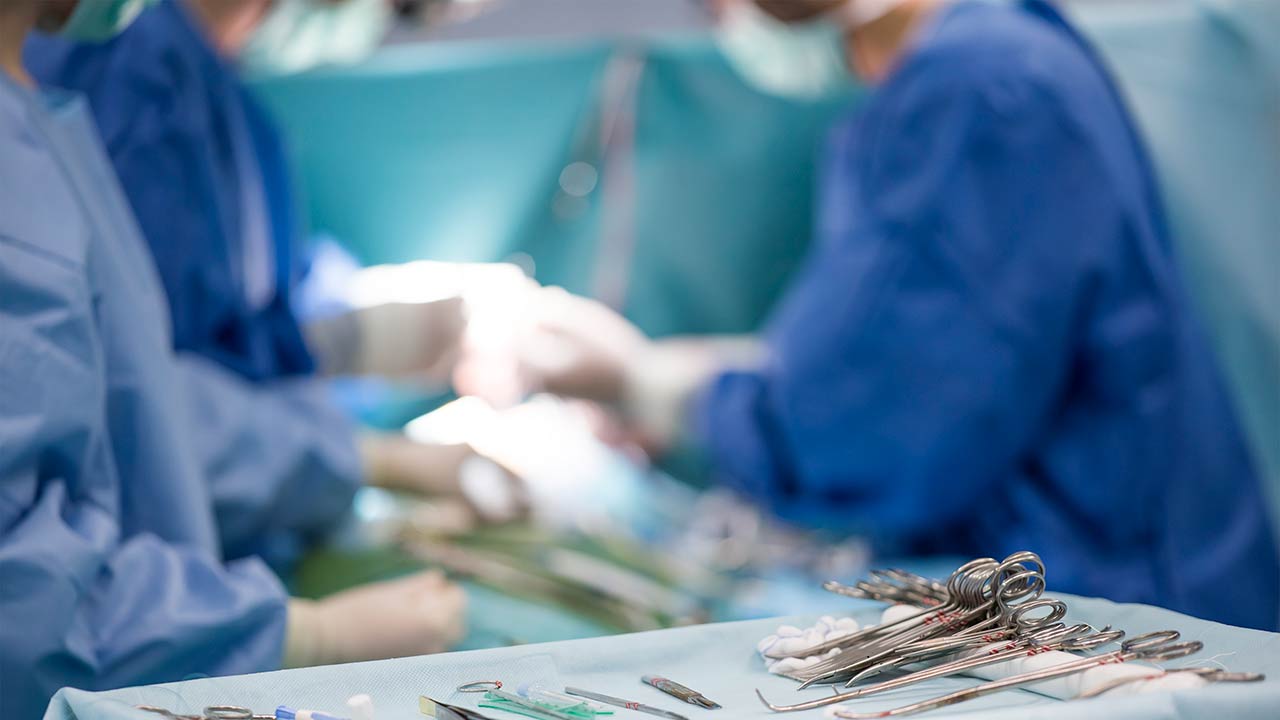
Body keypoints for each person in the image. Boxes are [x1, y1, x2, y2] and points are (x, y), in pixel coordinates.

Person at [465, 0, 1280, 630]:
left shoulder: (981, 94)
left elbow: (867, 431)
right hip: (1093, 571)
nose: (720, 19)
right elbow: (906, 348)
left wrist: (652, 386)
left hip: (1113, 608)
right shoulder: (995, 60)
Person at [0, 2, 464, 716]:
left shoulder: (39, 113)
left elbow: (130, 387)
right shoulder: (125, 79)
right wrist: (306, 636)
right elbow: (23, 604)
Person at [24, 0, 509, 541]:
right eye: (406, 9)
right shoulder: (134, 76)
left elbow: (240, 317)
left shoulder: (217, 98)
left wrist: (355, 335)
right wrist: (364, 459)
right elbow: (130, 403)